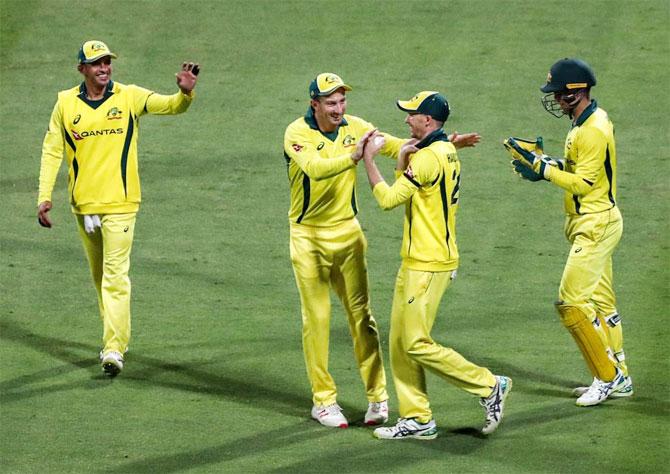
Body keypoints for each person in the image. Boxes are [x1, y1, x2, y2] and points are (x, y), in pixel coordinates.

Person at [37, 40, 199, 377]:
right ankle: (111, 339)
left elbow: (169, 106)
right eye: (96, 63)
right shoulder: (65, 103)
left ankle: (114, 348)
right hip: (84, 206)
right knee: (100, 279)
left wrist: (184, 94)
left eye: (107, 62)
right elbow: (52, 150)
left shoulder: (128, 96)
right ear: (82, 68)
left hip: (121, 204)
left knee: (115, 277)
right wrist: (44, 195)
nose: (104, 68)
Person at [359, 91, 511, 440]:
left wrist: (369, 160)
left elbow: (388, 199)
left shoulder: (428, 158)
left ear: (427, 121)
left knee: (415, 342)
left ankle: (489, 385)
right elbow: (407, 149)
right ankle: (417, 418)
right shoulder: (442, 149)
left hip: (429, 265)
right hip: (418, 260)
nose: (406, 118)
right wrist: (386, 145)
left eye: (411, 114)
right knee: (399, 342)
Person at [506, 58, 632, 406]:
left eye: (560, 94)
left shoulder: (592, 129)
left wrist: (543, 171)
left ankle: (607, 377)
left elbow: (583, 183)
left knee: (571, 303)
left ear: (578, 92)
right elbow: (577, 168)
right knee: (601, 303)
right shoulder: (584, 122)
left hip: (595, 224)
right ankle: (619, 375)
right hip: (593, 221)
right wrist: (547, 163)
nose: (556, 100)